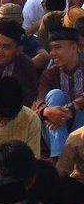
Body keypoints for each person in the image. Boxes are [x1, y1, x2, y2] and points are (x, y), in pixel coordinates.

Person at [33, 27, 84, 158]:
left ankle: (61, 162)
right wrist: (46, 111)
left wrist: (73, 106)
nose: (52, 53)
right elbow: (38, 101)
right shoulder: (49, 74)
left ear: (73, 47)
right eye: (51, 49)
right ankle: (60, 157)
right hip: (54, 130)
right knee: (55, 95)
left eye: (57, 47)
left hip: (80, 128)